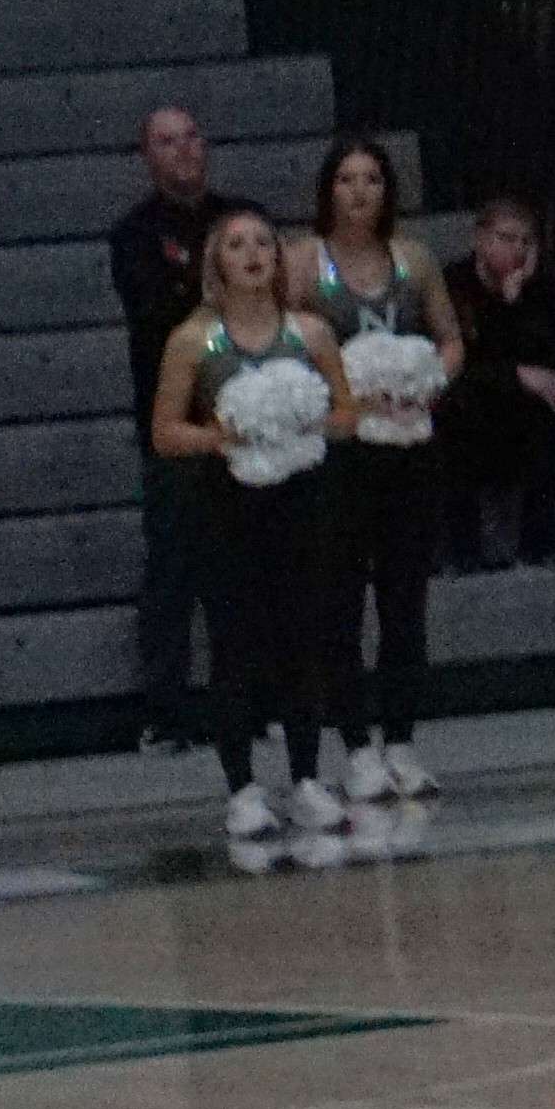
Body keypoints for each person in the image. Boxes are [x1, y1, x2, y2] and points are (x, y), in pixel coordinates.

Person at [151, 197, 349, 844]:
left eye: (263, 242)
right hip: (226, 503)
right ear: (216, 264)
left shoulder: (310, 334)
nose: (253, 254)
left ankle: (308, 778)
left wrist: (302, 420)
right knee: (233, 644)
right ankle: (241, 788)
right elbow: (164, 433)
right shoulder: (193, 340)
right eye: (236, 245)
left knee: (303, 638)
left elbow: (346, 415)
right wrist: (224, 436)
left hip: (302, 499)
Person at [292, 134, 460, 804]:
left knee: (404, 605)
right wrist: (339, 394)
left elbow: (450, 339)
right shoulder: (306, 262)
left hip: (406, 448)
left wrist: (428, 383)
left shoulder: (412, 260)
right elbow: (280, 342)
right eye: (346, 179)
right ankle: (355, 747)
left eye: (372, 180)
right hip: (339, 455)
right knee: (340, 604)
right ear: (327, 190)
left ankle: (402, 742)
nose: (359, 191)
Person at [109, 105, 224, 751]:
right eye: (165, 142)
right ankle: (167, 709)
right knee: (173, 566)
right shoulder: (133, 234)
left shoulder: (241, 218)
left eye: (189, 137)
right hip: (173, 419)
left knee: (248, 562)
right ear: (147, 157)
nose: (182, 150)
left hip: (244, 409)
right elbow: (157, 317)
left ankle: (254, 697)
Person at [430, 192, 555, 569]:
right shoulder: (453, 284)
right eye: (507, 238)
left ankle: (538, 540)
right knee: (454, 409)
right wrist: (514, 375)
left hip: (519, 412)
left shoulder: (539, 290)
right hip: (470, 403)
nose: (518, 249)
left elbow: (553, 361)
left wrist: (515, 305)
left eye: (526, 241)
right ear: (481, 239)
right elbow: (457, 363)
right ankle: (463, 548)